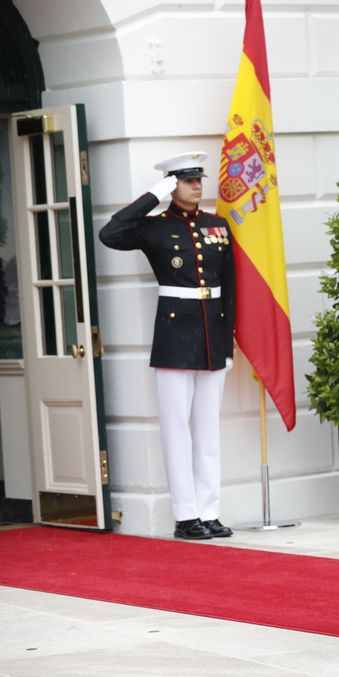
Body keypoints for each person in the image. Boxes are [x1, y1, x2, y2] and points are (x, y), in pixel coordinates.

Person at [99, 152, 235, 541]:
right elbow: (110, 234)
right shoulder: (154, 227)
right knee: (177, 429)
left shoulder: (218, 226)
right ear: (172, 185)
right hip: (175, 337)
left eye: (198, 179)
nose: (196, 185)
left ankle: (209, 511)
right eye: (187, 180)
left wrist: (227, 342)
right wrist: (152, 196)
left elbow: (230, 287)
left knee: (208, 430)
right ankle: (186, 516)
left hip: (213, 335)